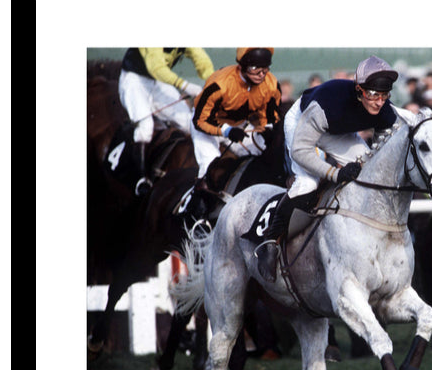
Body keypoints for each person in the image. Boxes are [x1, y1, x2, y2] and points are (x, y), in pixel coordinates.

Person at [249, 55, 399, 282]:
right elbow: (301, 151)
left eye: (384, 95)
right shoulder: (327, 105)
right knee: (308, 183)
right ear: (359, 90)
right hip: (303, 124)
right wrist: (335, 173)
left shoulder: (385, 110)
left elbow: (382, 145)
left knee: (367, 171)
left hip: (337, 130)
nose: (379, 102)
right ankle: (270, 244)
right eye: (373, 95)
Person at [181, 48, 282, 223]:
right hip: (206, 125)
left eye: (265, 68)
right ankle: (194, 215)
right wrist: (226, 131)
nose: (261, 74)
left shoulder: (271, 84)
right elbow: (200, 120)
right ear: (242, 67)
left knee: (263, 154)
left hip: (240, 126)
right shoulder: (220, 83)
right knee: (210, 164)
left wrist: (267, 129)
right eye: (255, 69)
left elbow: (271, 117)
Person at [117, 47, 215, 194]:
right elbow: (156, 68)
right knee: (145, 126)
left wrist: (212, 82)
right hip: (134, 79)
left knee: (188, 122)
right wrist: (185, 86)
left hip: (157, 82)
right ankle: (141, 179)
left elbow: (201, 58)